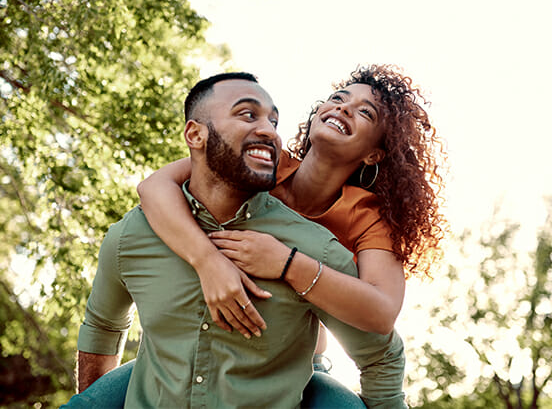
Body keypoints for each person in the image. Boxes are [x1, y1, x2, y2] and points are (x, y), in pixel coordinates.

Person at [67, 72, 407, 408]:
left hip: (291, 363)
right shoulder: (260, 162)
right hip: (175, 364)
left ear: (374, 154)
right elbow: (154, 187)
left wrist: (287, 263)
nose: (345, 108)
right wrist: (208, 261)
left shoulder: (366, 218)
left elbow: (381, 317)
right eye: (338, 98)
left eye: (366, 112)